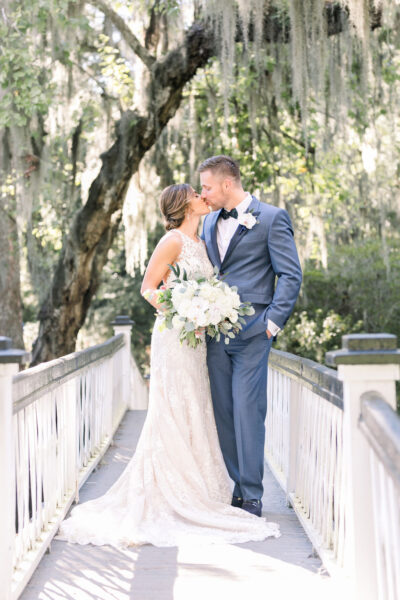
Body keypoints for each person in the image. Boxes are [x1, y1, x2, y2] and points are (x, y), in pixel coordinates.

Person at [57, 183, 280, 547]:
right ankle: (170, 488)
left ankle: (200, 487)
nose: (202, 197)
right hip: (175, 336)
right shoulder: (172, 241)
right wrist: (184, 311)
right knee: (174, 406)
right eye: (196, 194)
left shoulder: (203, 242)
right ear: (184, 205)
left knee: (198, 405)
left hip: (199, 340)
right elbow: (148, 288)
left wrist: (209, 309)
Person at [200, 156, 302, 517]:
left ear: (228, 184)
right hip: (213, 333)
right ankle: (237, 488)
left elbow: (290, 275)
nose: (203, 194)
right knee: (224, 413)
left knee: (247, 409)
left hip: (254, 331)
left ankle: (254, 493)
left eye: (208, 187)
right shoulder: (208, 221)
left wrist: (271, 323)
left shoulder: (272, 218)